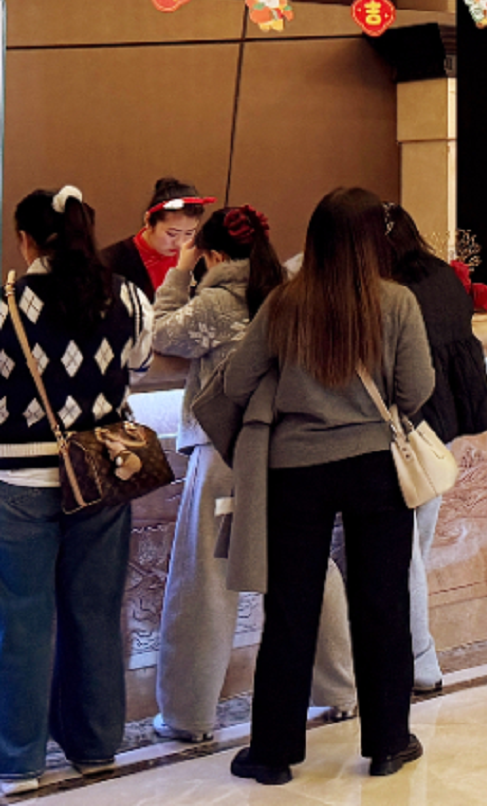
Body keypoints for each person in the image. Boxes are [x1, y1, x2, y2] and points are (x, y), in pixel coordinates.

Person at [214, 187, 432, 784]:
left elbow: (235, 380)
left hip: (295, 470)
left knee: (290, 610)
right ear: (373, 240)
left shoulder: (284, 303)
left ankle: (273, 753)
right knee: (382, 603)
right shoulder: (397, 302)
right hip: (375, 467)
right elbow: (417, 389)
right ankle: (388, 743)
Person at [151, 204, 358, 745]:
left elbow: (161, 335)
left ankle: (189, 714)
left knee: (205, 578)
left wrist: (179, 272)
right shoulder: (291, 293)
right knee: (309, 566)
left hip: (224, 451)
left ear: (214, 255)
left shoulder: (217, 302)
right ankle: (339, 690)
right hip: (290, 446)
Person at [0, 188, 153, 797]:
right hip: (100, 476)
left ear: (27, 241)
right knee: (94, 614)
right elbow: (141, 360)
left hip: (20, 481)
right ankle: (94, 748)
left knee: (22, 620)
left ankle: (19, 758)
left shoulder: (8, 304)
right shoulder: (127, 296)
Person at [384, 206, 487, 698]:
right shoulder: (442, 277)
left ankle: (414, 657)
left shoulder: (390, 292)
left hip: (403, 429)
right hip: (439, 430)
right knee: (415, 546)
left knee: (401, 551)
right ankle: (417, 657)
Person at [102, 177, 212, 301]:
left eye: (189, 233)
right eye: (172, 234)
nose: (180, 243)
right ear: (149, 221)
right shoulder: (113, 262)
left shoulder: (198, 259)